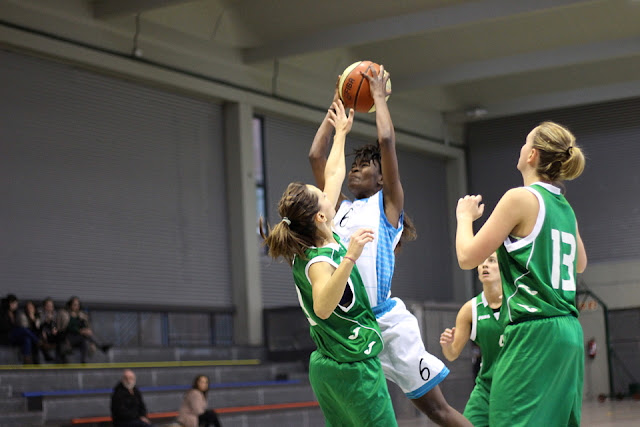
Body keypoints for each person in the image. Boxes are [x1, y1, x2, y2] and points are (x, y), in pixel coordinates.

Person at [309, 65, 470, 426]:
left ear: (383, 177)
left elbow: (386, 142)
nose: (355, 169)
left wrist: (378, 97)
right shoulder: (339, 209)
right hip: (351, 328)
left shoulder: (387, 207)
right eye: (355, 163)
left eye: (365, 165)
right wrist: (335, 106)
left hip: (386, 325)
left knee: (437, 410)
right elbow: (317, 158)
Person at [261, 99, 397, 426]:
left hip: (329, 365)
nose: (328, 191)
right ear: (320, 215)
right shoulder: (318, 259)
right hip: (351, 365)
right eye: (322, 195)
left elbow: (334, 172)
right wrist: (350, 256)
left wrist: (340, 134)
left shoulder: (323, 232)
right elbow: (323, 306)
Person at [455, 121, 587, 426]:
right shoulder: (564, 206)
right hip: (569, 331)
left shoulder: (520, 199)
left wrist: (464, 218)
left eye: (525, 143)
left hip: (533, 332)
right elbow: (579, 263)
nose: (522, 147)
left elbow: (466, 256)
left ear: (533, 155)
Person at [439, 253, 504, 427]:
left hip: (516, 383)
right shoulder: (470, 309)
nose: (484, 265)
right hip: (486, 386)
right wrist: (446, 345)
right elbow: (452, 354)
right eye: (481, 262)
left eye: (491, 261)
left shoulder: (518, 303)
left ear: (503, 267)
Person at [57, 296, 111, 363]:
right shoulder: (65, 314)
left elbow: (84, 326)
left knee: (84, 341)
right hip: (68, 337)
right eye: (75, 305)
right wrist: (80, 331)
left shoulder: (81, 315)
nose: (76, 306)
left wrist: (86, 331)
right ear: (70, 305)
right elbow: (67, 327)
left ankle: (83, 361)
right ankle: (101, 346)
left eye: (78, 305)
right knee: (84, 337)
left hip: (79, 337)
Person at [0, 294, 41, 364]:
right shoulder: (2, 313)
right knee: (24, 330)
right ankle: (38, 342)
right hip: (6, 336)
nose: (16, 305)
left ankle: (27, 360)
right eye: (15, 303)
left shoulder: (16, 313)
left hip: (14, 336)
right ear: (10, 303)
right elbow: (4, 327)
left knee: (26, 338)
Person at [39, 297, 64, 362]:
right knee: (40, 336)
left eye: (51, 306)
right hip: (44, 333)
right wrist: (47, 320)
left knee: (61, 335)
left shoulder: (55, 314)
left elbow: (58, 325)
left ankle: (59, 357)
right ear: (44, 307)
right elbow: (39, 325)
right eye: (48, 306)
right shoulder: (41, 313)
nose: (49, 308)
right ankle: (46, 355)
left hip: (53, 334)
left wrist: (56, 329)